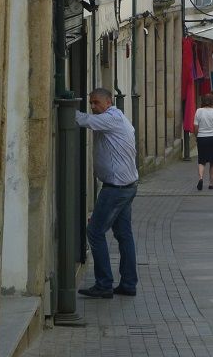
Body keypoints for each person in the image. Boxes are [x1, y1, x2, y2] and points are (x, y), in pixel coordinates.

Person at [75, 88, 139, 299]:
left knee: (94, 232)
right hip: (126, 186)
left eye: (96, 103)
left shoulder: (109, 118)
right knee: (123, 235)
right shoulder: (117, 117)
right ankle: (128, 283)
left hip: (116, 188)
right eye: (91, 103)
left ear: (108, 102)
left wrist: (61, 107)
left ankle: (104, 284)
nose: (93, 107)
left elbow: (82, 120)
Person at [194, 93, 213, 190]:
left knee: (201, 160)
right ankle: (211, 183)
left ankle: (201, 178)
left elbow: (195, 126)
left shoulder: (198, 111)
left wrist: (197, 136)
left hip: (201, 137)